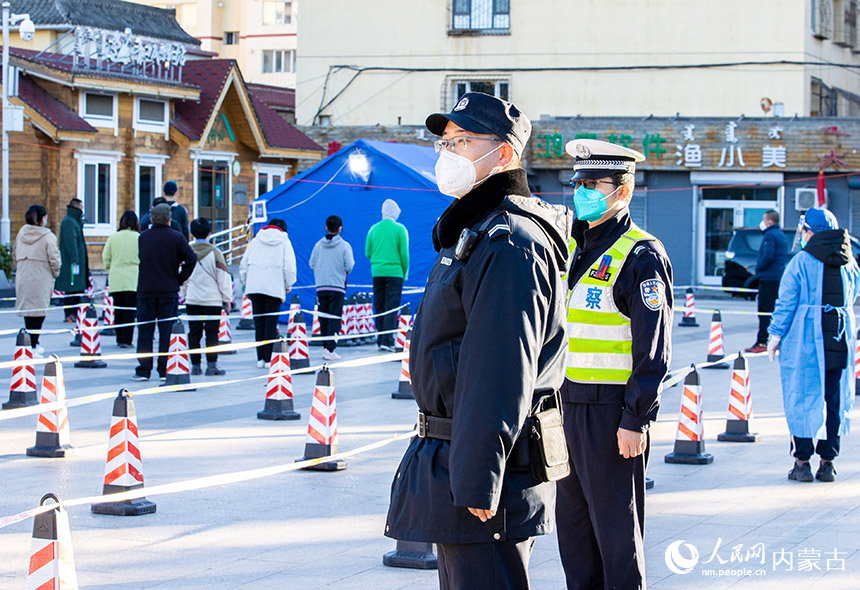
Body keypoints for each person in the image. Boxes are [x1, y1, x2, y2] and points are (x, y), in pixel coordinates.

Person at [385, 92, 571, 589]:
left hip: (488, 471)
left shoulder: (511, 242)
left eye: (463, 141)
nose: (448, 153)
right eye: (446, 142)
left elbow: (499, 369)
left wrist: (479, 476)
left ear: (504, 154)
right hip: (455, 456)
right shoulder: (476, 231)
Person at [557, 138, 674, 589]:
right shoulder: (570, 248)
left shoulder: (641, 254)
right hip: (565, 408)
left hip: (611, 414)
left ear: (622, 191)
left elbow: (654, 347)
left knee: (616, 536)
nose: (582, 191)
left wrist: (636, 418)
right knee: (574, 533)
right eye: (578, 183)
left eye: (593, 184)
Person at [767, 207, 860, 483]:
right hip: (840, 341)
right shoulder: (850, 262)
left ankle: (802, 463)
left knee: (802, 398)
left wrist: (774, 336)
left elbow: (786, 303)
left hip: (806, 342)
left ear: (810, 232)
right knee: (834, 400)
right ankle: (828, 463)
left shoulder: (800, 262)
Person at [132, 204, 197, 381]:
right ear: (170, 219)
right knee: (166, 331)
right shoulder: (176, 238)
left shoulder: (142, 238)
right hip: (168, 290)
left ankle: (144, 369)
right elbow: (191, 258)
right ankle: (163, 369)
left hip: (146, 289)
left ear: (151, 219)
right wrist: (180, 278)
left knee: (145, 331)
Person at [240, 218, 296, 368]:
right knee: (271, 324)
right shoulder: (284, 242)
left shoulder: (256, 240)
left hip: (255, 287)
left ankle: (260, 358)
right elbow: (289, 267)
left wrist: (246, 283)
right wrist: (288, 284)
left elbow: (243, 264)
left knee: (259, 323)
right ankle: (269, 358)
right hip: (274, 287)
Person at [182, 217, 233, 376]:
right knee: (211, 333)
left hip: (193, 299)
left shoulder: (187, 251)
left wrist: (185, 294)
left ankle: (195, 365)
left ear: (192, 233)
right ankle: (212, 365)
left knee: (194, 333)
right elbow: (223, 278)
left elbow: (183, 277)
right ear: (210, 233)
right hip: (212, 300)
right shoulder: (215, 252)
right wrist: (227, 299)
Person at [13, 205, 61, 356]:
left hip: (23, 275)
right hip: (41, 277)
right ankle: (33, 344)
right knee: (39, 312)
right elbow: (54, 259)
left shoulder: (21, 234)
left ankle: (31, 343)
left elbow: (15, 254)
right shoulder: (48, 236)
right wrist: (55, 273)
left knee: (29, 311)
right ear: (42, 218)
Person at [309, 214, 355, 361]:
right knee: (335, 318)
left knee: (323, 318)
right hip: (337, 287)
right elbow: (350, 265)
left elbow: (311, 264)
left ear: (326, 227)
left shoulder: (318, 245)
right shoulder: (344, 246)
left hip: (321, 286)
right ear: (340, 228)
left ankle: (325, 348)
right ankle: (330, 349)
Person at [365, 198, 409, 352]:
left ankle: (380, 337)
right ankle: (388, 340)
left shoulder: (373, 229)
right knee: (392, 306)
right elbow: (404, 254)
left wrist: (378, 263)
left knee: (380, 305)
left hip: (377, 272)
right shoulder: (400, 229)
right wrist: (404, 273)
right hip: (395, 272)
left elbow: (367, 252)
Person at [746, 209, 789, 353]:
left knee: (764, 311)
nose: (762, 224)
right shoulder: (781, 235)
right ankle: (775, 340)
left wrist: (758, 269)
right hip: (777, 277)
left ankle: (762, 342)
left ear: (769, 222)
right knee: (775, 310)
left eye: (764, 220)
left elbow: (768, 256)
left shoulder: (770, 235)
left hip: (768, 277)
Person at [102, 211, 140, 348]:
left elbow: (106, 257)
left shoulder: (113, 238)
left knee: (118, 310)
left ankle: (119, 338)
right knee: (130, 311)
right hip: (133, 278)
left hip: (116, 278)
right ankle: (126, 339)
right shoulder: (138, 237)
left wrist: (110, 269)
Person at [55, 198, 89, 322]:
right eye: (81, 208)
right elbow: (71, 242)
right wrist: (75, 259)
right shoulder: (69, 222)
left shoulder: (74, 221)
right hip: (73, 263)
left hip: (77, 261)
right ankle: (70, 313)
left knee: (76, 289)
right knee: (72, 288)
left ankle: (74, 313)